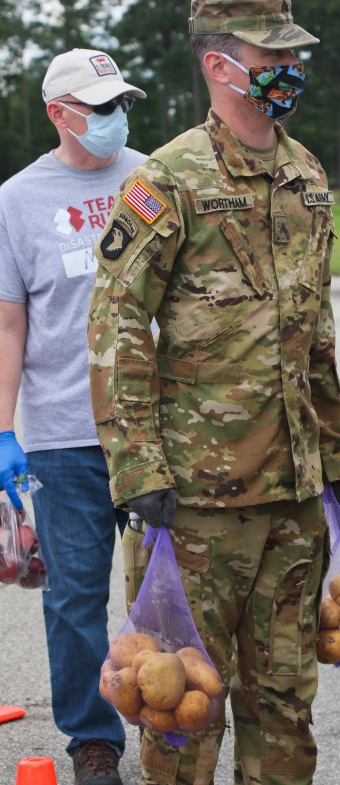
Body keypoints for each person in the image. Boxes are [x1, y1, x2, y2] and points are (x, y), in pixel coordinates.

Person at [87, 0, 340, 785]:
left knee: (285, 703)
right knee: (183, 713)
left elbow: (314, 334)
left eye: (294, 56)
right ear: (220, 63)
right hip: (196, 501)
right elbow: (116, 325)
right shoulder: (167, 179)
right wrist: (137, 467)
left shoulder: (307, 177)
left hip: (291, 499)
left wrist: (339, 458)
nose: (289, 69)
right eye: (273, 57)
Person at [0, 48, 148, 784]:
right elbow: (8, 325)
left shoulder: (154, 178)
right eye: (98, 108)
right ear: (59, 113)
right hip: (64, 436)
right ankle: (94, 742)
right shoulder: (16, 200)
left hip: (156, 431)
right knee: (75, 599)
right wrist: (3, 430)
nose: (113, 120)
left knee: (171, 589)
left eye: (121, 103)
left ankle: (178, 720)